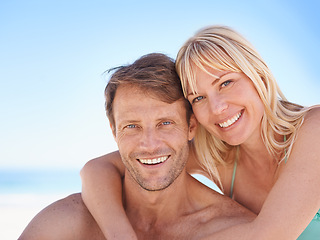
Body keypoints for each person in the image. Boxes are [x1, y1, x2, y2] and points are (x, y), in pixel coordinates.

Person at [80, 26, 320, 239]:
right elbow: (97, 169)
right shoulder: (218, 157)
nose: (217, 108)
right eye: (199, 97)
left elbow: (268, 235)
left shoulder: (314, 128)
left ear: (258, 74)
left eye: (226, 83)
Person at [18, 53, 255, 240]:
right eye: (132, 126)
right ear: (114, 131)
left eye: (165, 123)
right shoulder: (62, 226)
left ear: (191, 126)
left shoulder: (236, 230)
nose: (150, 145)